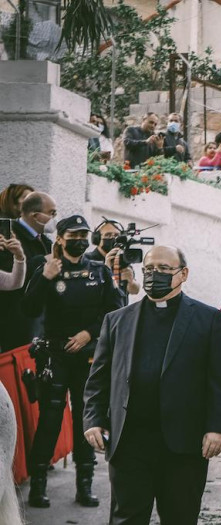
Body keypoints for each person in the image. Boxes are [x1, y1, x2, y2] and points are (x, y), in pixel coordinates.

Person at [81, 246, 221, 524]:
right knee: (126, 518)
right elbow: (98, 379)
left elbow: (220, 381)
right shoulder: (116, 320)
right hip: (129, 441)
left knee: (180, 517)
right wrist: (93, 420)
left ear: (183, 274)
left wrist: (217, 428)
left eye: (164, 269)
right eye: (149, 269)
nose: (154, 275)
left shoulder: (209, 319)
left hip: (184, 444)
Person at [22, 214, 123, 508]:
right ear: (61, 238)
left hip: (89, 355)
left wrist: (88, 333)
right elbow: (28, 308)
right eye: (73, 235)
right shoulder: (48, 269)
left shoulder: (100, 272)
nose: (78, 240)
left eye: (83, 235)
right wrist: (44, 277)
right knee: (50, 419)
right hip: (54, 355)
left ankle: (85, 485)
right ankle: (38, 487)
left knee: (86, 418)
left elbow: (113, 311)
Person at [0, 191, 55, 351]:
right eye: (51, 213)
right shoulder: (9, 235)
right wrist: (42, 261)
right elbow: (10, 278)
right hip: (13, 322)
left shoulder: (44, 240)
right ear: (35, 215)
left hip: (38, 321)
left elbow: (13, 281)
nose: (54, 218)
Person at [84, 219, 140, 304]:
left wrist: (131, 281)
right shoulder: (87, 260)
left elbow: (134, 291)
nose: (113, 238)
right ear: (97, 238)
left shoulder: (123, 259)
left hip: (120, 313)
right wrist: (107, 268)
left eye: (116, 235)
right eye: (108, 235)